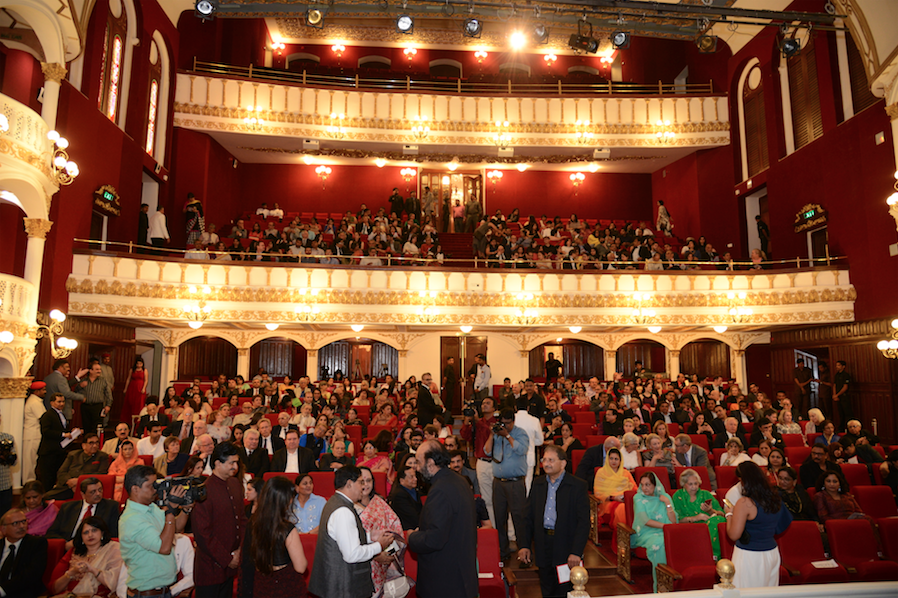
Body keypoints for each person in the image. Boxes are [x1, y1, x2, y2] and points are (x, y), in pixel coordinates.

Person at [307, 466, 393, 598]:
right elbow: (352, 555)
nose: (363, 487)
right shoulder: (343, 511)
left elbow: (342, 539)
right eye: (360, 482)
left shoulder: (335, 502)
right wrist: (379, 546)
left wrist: (370, 537)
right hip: (343, 588)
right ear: (349, 484)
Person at [516, 444, 589, 597]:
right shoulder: (538, 483)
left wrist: (576, 552)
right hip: (543, 543)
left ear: (563, 463)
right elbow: (527, 517)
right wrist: (524, 545)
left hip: (566, 545)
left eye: (551, 460)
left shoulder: (577, 486)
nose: (546, 463)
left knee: (565, 590)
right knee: (547, 588)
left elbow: (583, 523)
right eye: (544, 460)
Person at [409, 440, 478, 598]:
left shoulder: (440, 489)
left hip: (444, 584)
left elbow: (435, 539)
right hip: (461, 578)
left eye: (419, 462)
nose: (417, 468)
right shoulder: (460, 481)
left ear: (431, 463)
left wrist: (412, 537)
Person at [120, 465, 192, 598]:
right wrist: (170, 510)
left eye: (156, 484)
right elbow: (164, 547)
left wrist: (185, 509)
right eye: (150, 486)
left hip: (162, 591)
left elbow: (175, 528)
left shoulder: (151, 507)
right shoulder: (132, 519)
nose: (155, 489)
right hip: (146, 594)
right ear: (135, 489)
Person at [724, 462, 792, 588]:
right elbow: (783, 523)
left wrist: (729, 515)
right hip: (771, 552)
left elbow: (733, 535)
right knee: (768, 592)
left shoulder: (744, 502)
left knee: (745, 592)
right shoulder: (775, 498)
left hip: (750, 554)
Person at [192, 441, 246, 598]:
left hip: (231, 566)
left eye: (236, 462)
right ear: (217, 463)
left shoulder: (235, 484)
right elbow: (202, 533)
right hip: (210, 568)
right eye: (231, 463)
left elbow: (242, 520)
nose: (235, 466)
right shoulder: (204, 490)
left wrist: (240, 550)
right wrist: (227, 558)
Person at [244, 475, 308, 598]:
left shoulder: (253, 522)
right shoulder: (287, 529)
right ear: (285, 500)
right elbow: (301, 567)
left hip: (261, 583)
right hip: (285, 585)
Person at [485, 408, 530, 563]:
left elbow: (522, 449)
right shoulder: (497, 434)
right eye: (502, 423)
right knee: (500, 517)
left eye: (508, 423)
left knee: (519, 518)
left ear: (513, 421)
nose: (505, 426)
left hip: (515, 483)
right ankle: (502, 552)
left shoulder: (521, 433)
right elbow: (487, 450)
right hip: (498, 483)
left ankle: (524, 551)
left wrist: (508, 435)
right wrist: (493, 434)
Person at [353, 466, 404, 595]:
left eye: (368, 480)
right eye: (361, 481)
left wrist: (388, 554)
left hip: (385, 565)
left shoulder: (380, 503)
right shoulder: (349, 508)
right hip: (360, 566)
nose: (365, 485)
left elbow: (396, 529)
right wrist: (375, 555)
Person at [49, 516, 122, 596]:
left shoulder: (113, 549)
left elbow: (114, 583)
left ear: (102, 533)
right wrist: (72, 572)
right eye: (86, 532)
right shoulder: (74, 552)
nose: (90, 535)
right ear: (81, 537)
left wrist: (92, 570)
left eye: (94, 530)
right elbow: (54, 589)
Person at [47, 476, 120, 551]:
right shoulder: (68, 507)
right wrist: (65, 543)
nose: (98, 494)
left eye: (100, 490)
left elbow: (113, 533)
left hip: (96, 547)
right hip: (70, 546)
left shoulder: (111, 506)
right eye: (93, 492)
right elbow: (52, 532)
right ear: (83, 494)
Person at [631, 472, 676, 592]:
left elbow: (674, 521)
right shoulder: (638, 497)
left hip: (666, 532)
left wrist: (667, 503)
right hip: (646, 533)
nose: (644, 488)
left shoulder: (665, 497)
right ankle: (661, 586)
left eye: (648, 485)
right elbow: (645, 520)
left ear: (655, 485)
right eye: (642, 485)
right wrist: (666, 527)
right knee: (660, 544)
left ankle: (677, 582)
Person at [672, 468, 726, 559]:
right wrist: (696, 518)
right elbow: (676, 519)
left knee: (718, 520)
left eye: (696, 483)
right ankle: (710, 555)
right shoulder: (678, 496)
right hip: (689, 526)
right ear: (684, 484)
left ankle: (714, 555)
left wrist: (711, 511)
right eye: (690, 484)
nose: (694, 487)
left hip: (709, 525)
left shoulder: (706, 494)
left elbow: (722, 514)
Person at [45, 433, 110, 501]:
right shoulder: (73, 455)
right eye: (91, 443)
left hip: (88, 487)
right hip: (67, 486)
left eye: (97, 443)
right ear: (83, 445)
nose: (95, 445)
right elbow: (61, 472)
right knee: (45, 497)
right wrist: (70, 482)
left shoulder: (102, 456)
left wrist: (79, 481)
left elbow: (101, 474)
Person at [0, 508, 48, 598]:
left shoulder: (36, 543)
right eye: (15, 523)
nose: (22, 526)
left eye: (24, 521)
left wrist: (2, 590)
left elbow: (31, 574)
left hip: (23, 592)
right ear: (3, 529)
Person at [22, 381, 47, 485]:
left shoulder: (35, 401)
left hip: (34, 435)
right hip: (32, 435)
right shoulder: (34, 402)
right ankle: (29, 483)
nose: (45, 392)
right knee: (30, 461)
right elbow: (44, 418)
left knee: (32, 461)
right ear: (37, 391)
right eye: (43, 390)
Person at [80, 361, 113, 435]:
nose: (99, 371)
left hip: (98, 406)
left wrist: (108, 405)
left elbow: (108, 394)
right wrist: (80, 386)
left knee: (98, 427)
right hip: (86, 407)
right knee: (86, 426)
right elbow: (75, 391)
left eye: (100, 369)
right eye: (97, 369)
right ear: (91, 370)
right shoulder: (84, 380)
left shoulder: (103, 380)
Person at [388, 465, 422, 530]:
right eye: (411, 477)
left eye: (415, 476)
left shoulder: (414, 490)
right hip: (406, 529)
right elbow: (412, 517)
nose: (415, 479)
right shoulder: (399, 495)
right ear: (402, 481)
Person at [123, 357, 149, 428]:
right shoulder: (132, 370)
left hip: (140, 388)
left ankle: (137, 422)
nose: (139, 365)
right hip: (132, 387)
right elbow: (128, 379)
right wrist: (125, 388)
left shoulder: (144, 370)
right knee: (130, 403)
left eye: (140, 363)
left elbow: (146, 380)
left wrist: (144, 388)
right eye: (138, 363)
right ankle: (129, 422)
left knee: (139, 404)